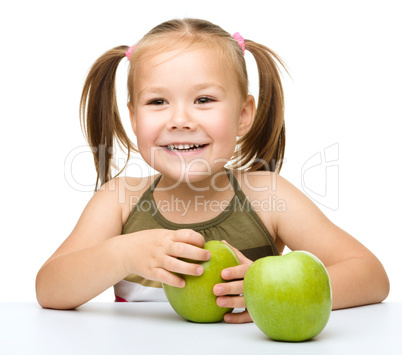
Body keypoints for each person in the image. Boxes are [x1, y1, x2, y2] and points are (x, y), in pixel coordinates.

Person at [35, 18, 389, 323]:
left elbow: (371, 275)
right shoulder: (120, 200)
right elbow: (49, 288)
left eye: (204, 100)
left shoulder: (268, 196)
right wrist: (123, 254)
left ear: (243, 115)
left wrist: (270, 289)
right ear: (133, 117)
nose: (180, 120)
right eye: (157, 101)